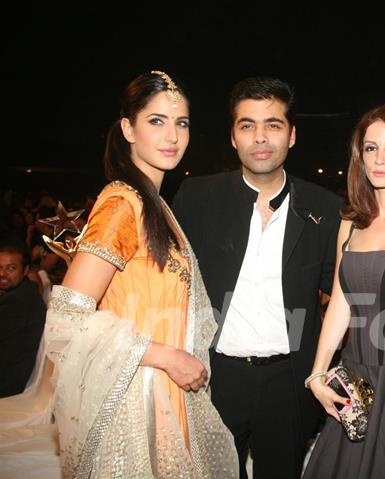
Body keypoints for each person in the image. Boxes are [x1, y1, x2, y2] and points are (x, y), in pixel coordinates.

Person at [45, 71, 238, 478]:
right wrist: (166, 356)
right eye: (156, 121)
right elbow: (66, 317)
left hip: (167, 393)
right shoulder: (122, 203)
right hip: (137, 398)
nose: (172, 136)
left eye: (181, 123)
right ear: (128, 129)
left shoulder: (157, 207)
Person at [172, 76, 343, 479]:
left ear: (292, 135)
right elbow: (168, 284)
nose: (260, 137)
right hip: (212, 379)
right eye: (247, 125)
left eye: (273, 125)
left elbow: (342, 296)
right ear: (233, 137)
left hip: (290, 384)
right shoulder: (196, 198)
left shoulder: (326, 208)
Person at [303, 104, 385, 478]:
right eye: (370, 147)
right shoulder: (350, 223)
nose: (379, 159)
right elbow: (340, 304)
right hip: (354, 383)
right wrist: (317, 375)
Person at [0, 237, 46, 397]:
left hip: (8, 382)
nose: (2, 274)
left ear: (26, 270)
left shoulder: (18, 301)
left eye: (11, 268)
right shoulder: (24, 291)